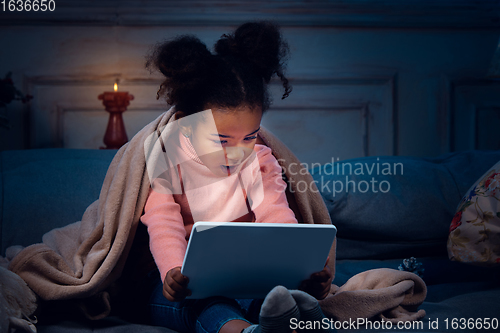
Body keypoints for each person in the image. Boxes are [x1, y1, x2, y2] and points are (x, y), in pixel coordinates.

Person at [141, 21, 334, 333]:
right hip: (177, 285)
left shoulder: (259, 160)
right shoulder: (168, 159)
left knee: (273, 297)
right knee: (208, 304)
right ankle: (243, 331)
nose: (237, 152)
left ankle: (289, 320)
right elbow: (163, 220)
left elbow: (276, 215)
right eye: (221, 140)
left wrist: (302, 267)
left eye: (249, 136)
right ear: (189, 126)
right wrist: (173, 270)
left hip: (244, 278)